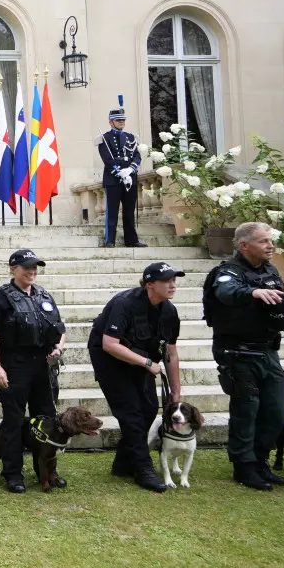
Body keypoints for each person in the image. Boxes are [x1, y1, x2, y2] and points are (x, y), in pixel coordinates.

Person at [205, 221, 284, 491]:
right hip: (237, 354)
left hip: (267, 351)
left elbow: (281, 307)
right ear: (244, 245)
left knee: (275, 411)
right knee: (246, 411)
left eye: (270, 241)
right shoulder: (227, 272)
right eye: (263, 241)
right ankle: (244, 466)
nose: (270, 245)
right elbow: (226, 293)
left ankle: (260, 461)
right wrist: (252, 291)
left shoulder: (271, 270)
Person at [88, 262, 185, 493]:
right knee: (131, 413)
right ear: (150, 284)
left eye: (174, 280)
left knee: (149, 409)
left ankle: (123, 463)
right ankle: (143, 468)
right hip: (110, 360)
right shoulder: (125, 303)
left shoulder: (169, 311)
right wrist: (148, 363)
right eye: (167, 281)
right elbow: (109, 344)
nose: (172, 285)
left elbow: (170, 353)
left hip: (141, 360)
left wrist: (175, 391)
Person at [0, 248, 67, 494]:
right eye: (26, 267)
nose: (32, 271)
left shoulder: (44, 295)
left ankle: (47, 472)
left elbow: (61, 330)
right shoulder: (0, 298)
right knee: (14, 421)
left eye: (35, 267)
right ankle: (13, 473)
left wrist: (58, 350)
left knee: (47, 421)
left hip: (44, 366)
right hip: (15, 365)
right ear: (12, 269)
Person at [97, 109, 148, 249]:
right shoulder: (104, 138)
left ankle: (132, 240)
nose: (121, 122)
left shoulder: (131, 137)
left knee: (129, 211)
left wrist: (130, 169)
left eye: (123, 120)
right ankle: (110, 240)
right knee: (112, 212)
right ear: (111, 122)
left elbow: (137, 156)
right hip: (113, 180)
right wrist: (120, 173)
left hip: (130, 179)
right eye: (118, 120)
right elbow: (107, 159)